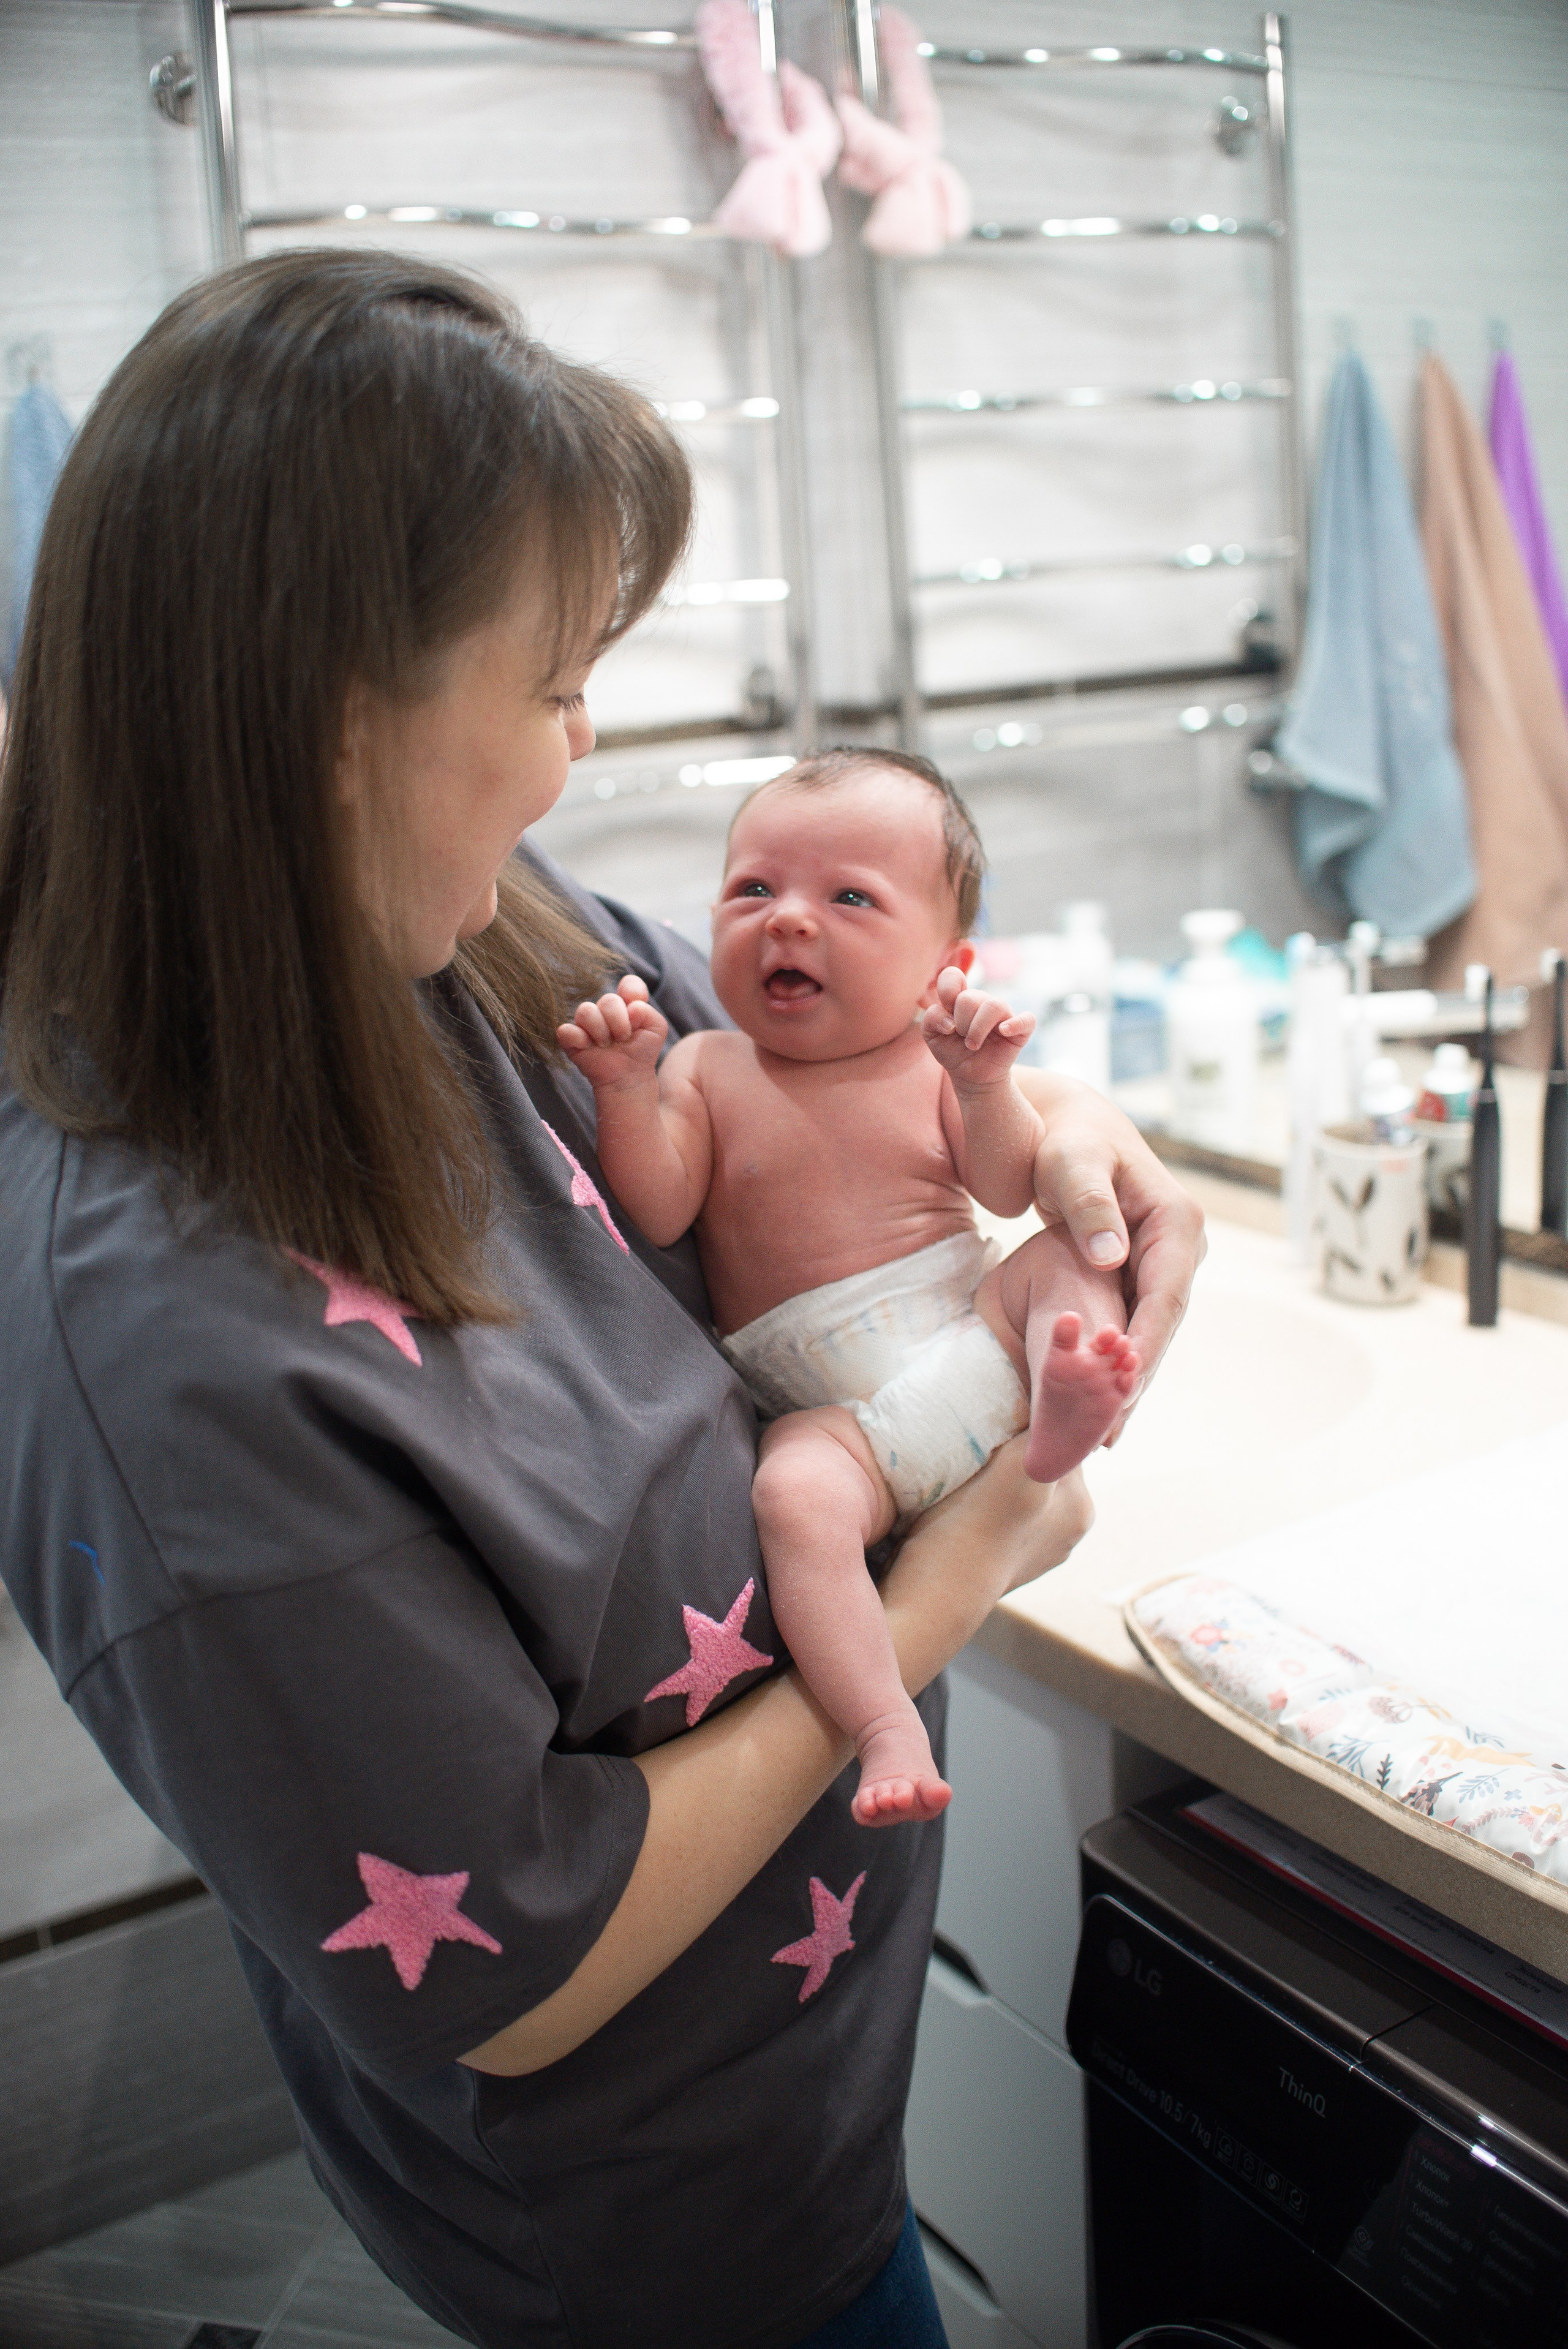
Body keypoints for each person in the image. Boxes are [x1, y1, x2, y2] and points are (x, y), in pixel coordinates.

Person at [0, 249, 1204, 2349]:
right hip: (669, 2245)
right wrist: (963, 1568)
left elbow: (831, 1049)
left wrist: (1072, 1121)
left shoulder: (461, 935)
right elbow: (515, 1970)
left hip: (804, 2068)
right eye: (554, 674)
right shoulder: (162, 1341)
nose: (580, 746)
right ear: (336, 711)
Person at [559, 750, 1143, 1828]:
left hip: (975, 1336)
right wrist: (626, 1091)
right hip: (839, 1423)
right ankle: (884, 1722)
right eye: (753, 890)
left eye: (850, 898)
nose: (787, 921)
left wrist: (984, 1084)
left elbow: (1008, 1184)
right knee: (792, 1496)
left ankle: (1060, 1417)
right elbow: (662, 1207)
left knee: (1066, 1252)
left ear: (942, 970)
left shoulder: (929, 1068)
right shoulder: (705, 1067)